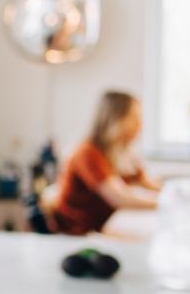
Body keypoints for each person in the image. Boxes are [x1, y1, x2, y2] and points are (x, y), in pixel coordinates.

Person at [52, 90, 161, 235]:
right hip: (77, 235)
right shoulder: (87, 153)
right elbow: (120, 198)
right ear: (116, 119)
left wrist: (189, 195)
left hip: (100, 230)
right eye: (135, 118)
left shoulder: (122, 153)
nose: (140, 126)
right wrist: (169, 204)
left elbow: (147, 183)